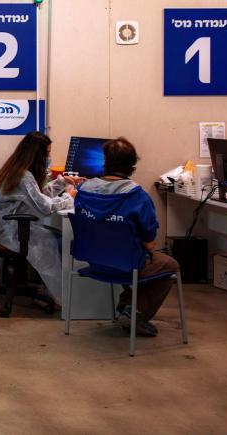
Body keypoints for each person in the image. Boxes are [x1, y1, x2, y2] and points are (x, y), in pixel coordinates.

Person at [78, 137, 178, 337]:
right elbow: (150, 243)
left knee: (132, 259)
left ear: (105, 162)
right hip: (126, 263)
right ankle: (136, 314)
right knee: (169, 265)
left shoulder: (84, 191)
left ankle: (126, 307)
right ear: (132, 166)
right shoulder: (137, 197)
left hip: (94, 261)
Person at [0, 131, 84, 304]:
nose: (49, 157)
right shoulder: (24, 177)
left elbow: (37, 196)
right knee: (53, 241)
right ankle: (62, 299)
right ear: (37, 154)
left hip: (10, 228)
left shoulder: (18, 171)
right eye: (47, 153)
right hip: (12, 233)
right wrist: (69, 197)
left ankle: (52, 291)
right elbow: (45, 206)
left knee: (56, 238)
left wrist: (62, 182)